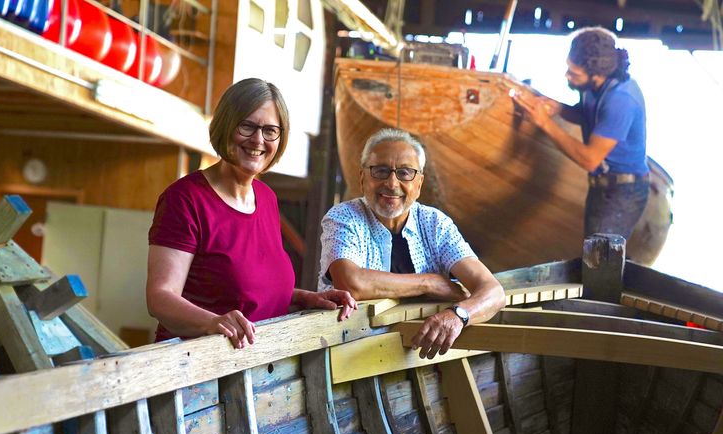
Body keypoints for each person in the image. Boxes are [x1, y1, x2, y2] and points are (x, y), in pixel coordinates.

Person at [146, 78, 356, 348]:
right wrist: (212, 322)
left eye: (270, 130)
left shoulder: (266, 198)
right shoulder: (184, 199)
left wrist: (302, 297)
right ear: (225, 126)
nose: (258, 140)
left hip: (253, 367)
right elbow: (160, 297)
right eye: (247, 126)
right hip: (193, 371)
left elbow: (247, 287)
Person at [319, 128, 505, 359]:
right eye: (380, 171)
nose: (392, 183)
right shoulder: (343, 216)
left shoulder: (435, 223)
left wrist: (458, 316)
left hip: (417, 355)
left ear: (419, 184)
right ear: (362, 178)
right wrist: (429, 282)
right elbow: (352, 283)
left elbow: (494, 292)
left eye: (405, 173)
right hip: (347, 354)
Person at [513, 26, 649, 239]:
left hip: (624, 191)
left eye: (573, 72)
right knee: (594, 254)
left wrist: (544, 123)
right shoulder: (592, 88)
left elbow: (590, 160)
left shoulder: (621, 100)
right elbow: (587, 115)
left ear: (596, 75)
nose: (567, 75)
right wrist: (557, 107)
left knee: (600, 259)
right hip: (601, 185)